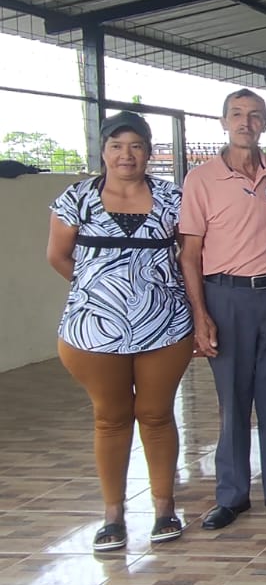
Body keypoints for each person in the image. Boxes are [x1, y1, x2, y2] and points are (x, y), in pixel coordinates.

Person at [47, 112, 194, 551]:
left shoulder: (172, 198)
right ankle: (113, 515)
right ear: (103, 151)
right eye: (116, 146)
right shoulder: (76, 198)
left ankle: (164, 507)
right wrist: (103, 293)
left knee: (156, 413)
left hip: (164, 326)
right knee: (110, 417)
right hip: (94, 332)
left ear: (148, 152)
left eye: (136, 146)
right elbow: (58, 256)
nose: (126, 155)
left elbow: (189, 254)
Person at [179, 88, 266, 530]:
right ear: (224, 122)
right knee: (232, 400)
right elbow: (189, 254)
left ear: (265, 123)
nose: (245, 123)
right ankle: (231, 495)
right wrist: (200, 315)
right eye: (237, 114)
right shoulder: (201, 180)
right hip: (224, 297)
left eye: (254, 115)